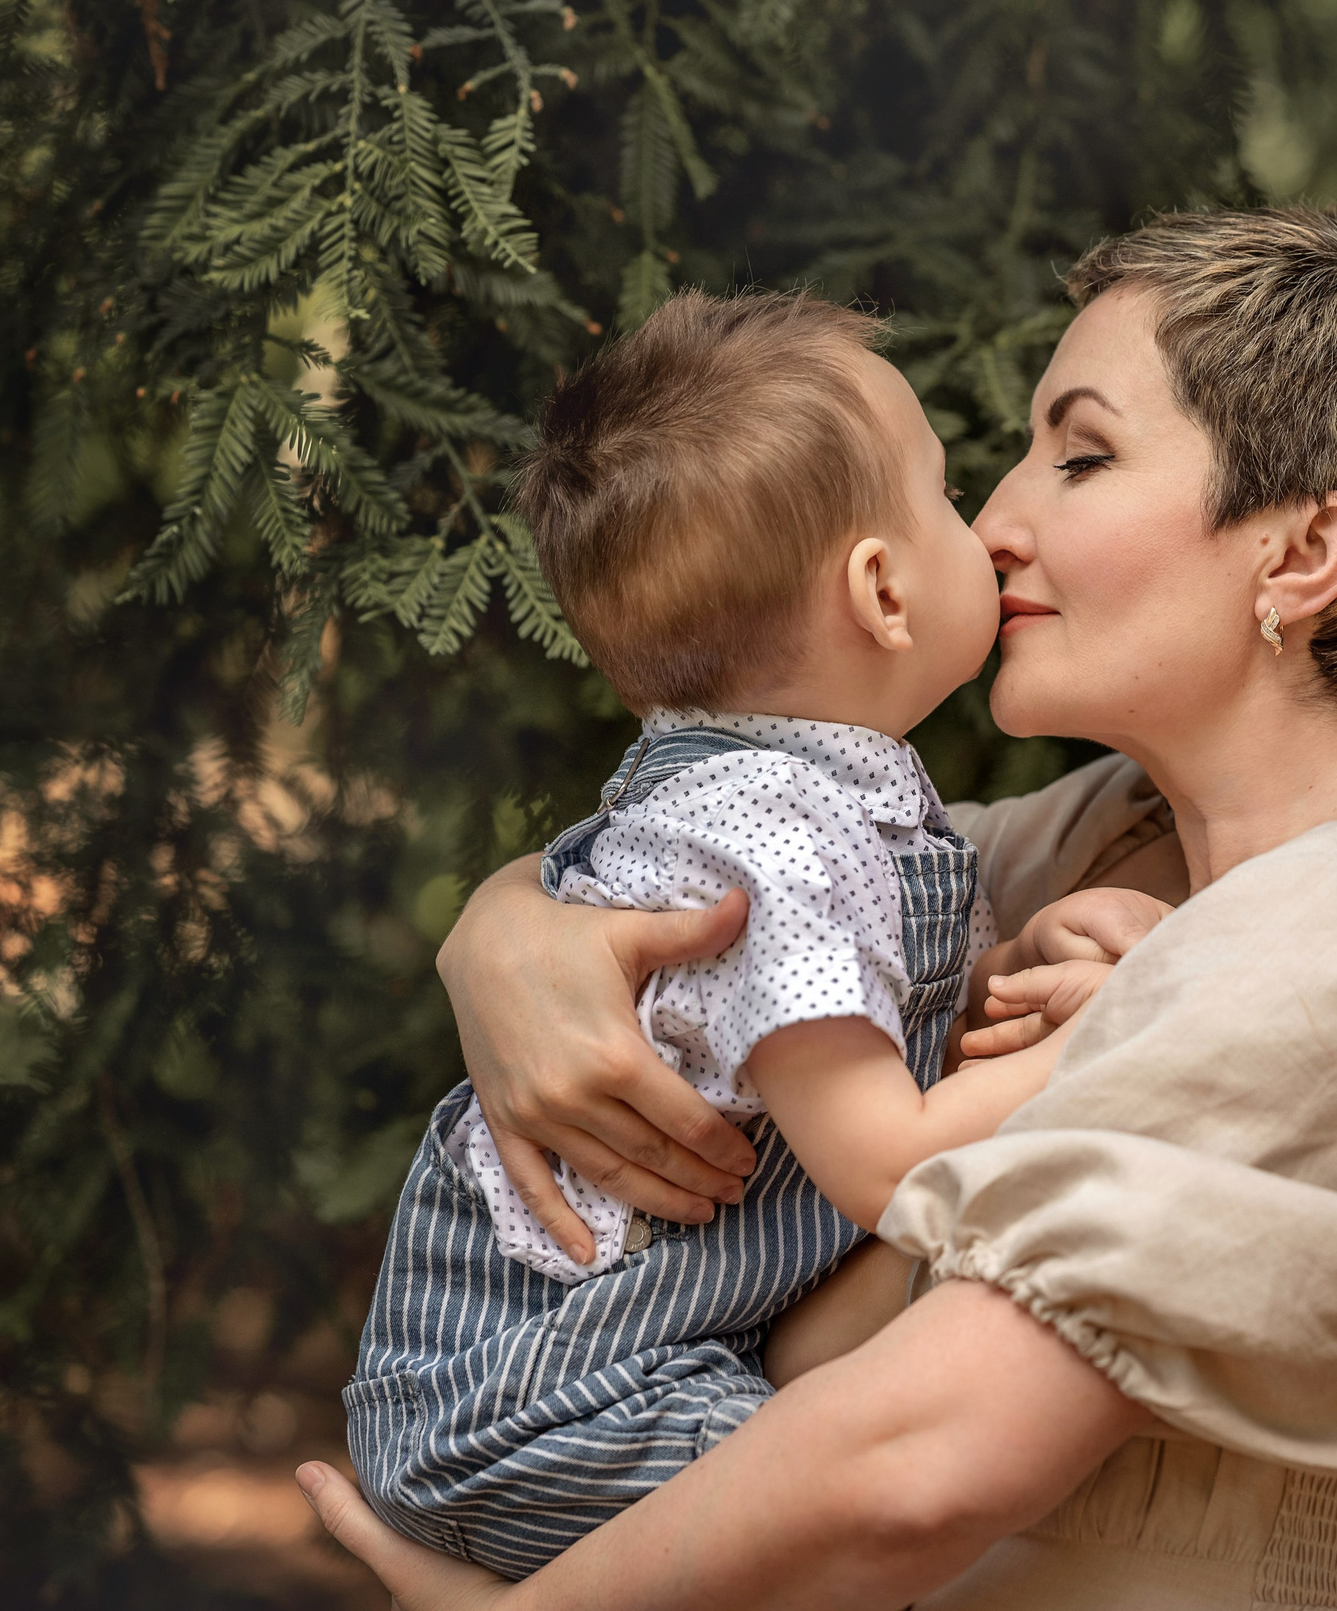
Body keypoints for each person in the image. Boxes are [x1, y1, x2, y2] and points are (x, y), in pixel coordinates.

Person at [300, 192, 1337, 1609]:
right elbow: (718, 874)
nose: (996, 519)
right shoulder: (1104, 839)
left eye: (1080, 456)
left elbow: (916, 1460)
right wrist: (503, 935)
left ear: (1303, 554)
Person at [347, 289, 1168, 1573]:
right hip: (539, 1396)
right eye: (949, 496)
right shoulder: (768, 835)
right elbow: (891, 1163)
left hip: (616, 1367)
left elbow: (844, 1045)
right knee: (852, 1522)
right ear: (882, 589)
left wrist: (1011, 984)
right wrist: (1147, 1015)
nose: (993, 528)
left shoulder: (810, 804)